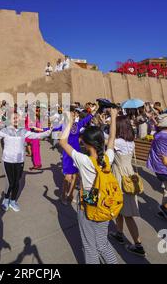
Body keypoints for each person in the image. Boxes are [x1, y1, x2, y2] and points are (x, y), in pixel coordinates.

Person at [59, 107, 119, 264]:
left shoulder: (83, 160)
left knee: (89, 245)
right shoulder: (107, 158)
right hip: (106, 199)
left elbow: (62, 141)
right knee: (102, 243)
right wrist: (113, 117)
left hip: (89, 198)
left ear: (85, 143)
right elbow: (112, 138)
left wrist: (70, 121)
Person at [0, 112, 52, 212]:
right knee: (10, 182)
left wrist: (49, 132)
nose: (15, 119)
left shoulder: (24, 131)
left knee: (16, 182)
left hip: (19, 161)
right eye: (13, 118)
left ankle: (13, 201)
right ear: (10, 120)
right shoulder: (5, 131)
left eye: (17, 118)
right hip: (7, 160)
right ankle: (6, 199)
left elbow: (37, 136)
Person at [108, 116, 145, 257]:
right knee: (120, 208)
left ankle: (138, 245)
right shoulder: (130, 142)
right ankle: (119, 232)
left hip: (120, 176)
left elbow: (108, 139)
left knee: (128, 213)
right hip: (128, 174)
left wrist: (111, 120)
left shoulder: (118, 142)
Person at [54, 106, 93, 205]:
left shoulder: (77, 125)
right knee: (68, 176)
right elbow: (52, 129)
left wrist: (94, 112)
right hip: (67, 153)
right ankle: (63, 195)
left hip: (76, 152)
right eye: (71, 113)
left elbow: (86, 119)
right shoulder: (63, 126)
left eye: (74, 113)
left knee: (75, 176)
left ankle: (70, 195)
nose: (73, 115)